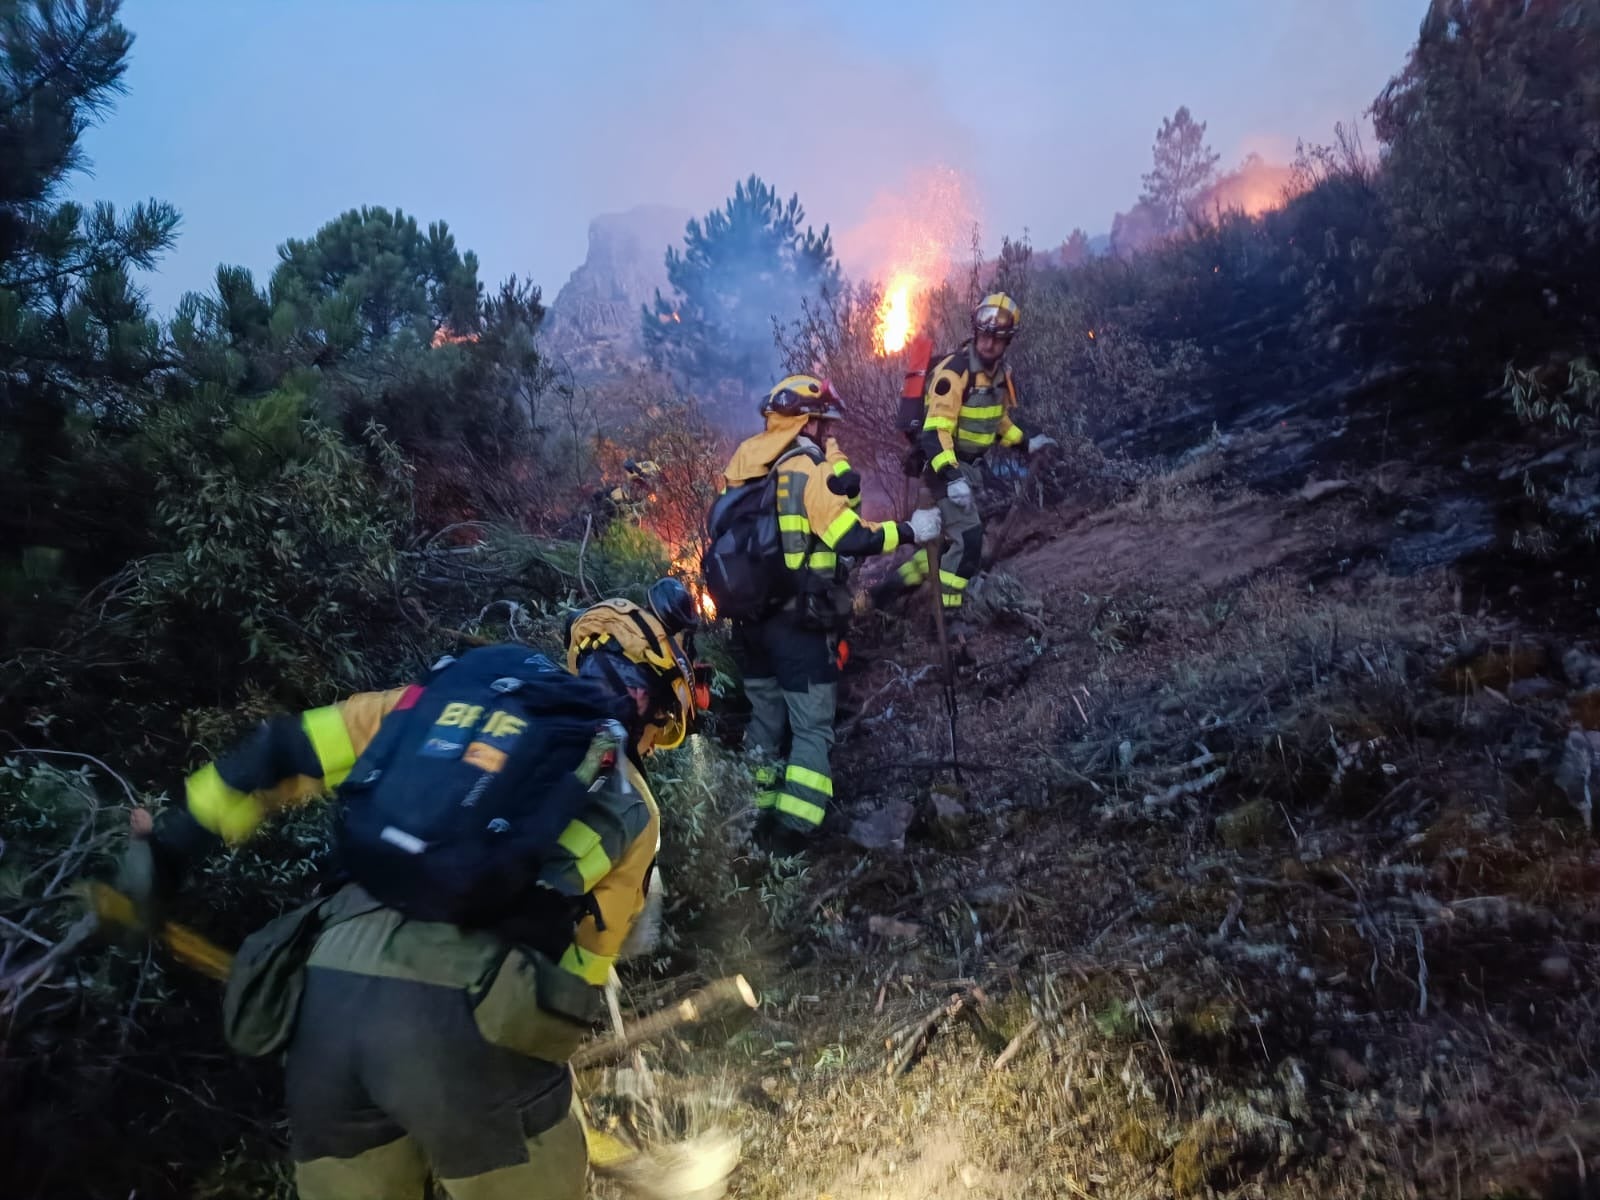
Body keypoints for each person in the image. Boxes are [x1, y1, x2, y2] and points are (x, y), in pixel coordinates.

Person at [115, 614, 693, 1200]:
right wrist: (536, 1084)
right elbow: (583, 970)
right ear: (643, 699)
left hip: (327, 1002)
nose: (651, 743)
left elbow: (282, 749)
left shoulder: (440, 705)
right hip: (464, 1023)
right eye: (661, 727)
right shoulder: (632, 800)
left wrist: (172, 844)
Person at [719, 374, 940, 849]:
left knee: (764, 724)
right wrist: (910, 530)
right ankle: (790, 836)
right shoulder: (804, 466)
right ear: (809, 423)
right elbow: (849, 537)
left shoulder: (744, 464)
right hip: (799, 624)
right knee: (812, 729)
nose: (826, 432)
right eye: (823, 424)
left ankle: (746, 823)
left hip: (750, 624)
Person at [871, 292, 1056, 633]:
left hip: (967, 470)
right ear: (975, 332)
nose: (988, 343)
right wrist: (952, 477)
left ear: (1008, 341)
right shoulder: (955, 372)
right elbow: (934, 433)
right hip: (943, 469)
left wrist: (1027, 443)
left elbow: (996, 422)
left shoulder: (999, 376)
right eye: (984, 335)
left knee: (943, 546)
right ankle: (945, 620)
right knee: (969, 543)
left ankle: (884, 594)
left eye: (997, 338)